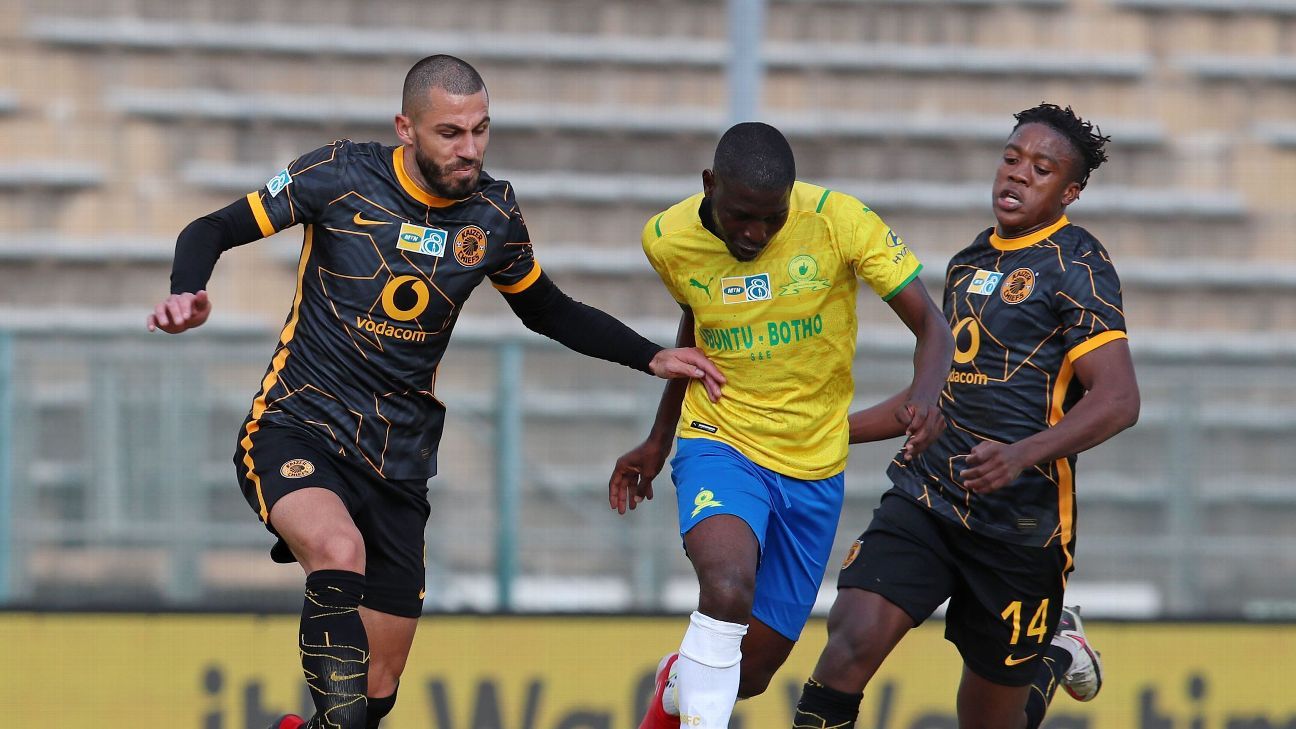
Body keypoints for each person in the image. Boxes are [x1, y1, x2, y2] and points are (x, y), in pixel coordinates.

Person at [146, 55, 725, 729]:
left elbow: (547, 308)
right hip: (297, 425)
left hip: (399, 461)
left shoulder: (493, 214)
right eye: (451, 133)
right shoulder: (337, 176)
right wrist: (186, 289)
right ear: (405, 128)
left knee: (375, 693)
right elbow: (209, 228)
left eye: (481, 130)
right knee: (338, 553)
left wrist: (650, 354)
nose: (470, 149)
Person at [789, 103, 1141, 729]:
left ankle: (1055, 653)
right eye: (1011, 159)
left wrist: (1021, 454)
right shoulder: (967, 265)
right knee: (847, 645)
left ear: (1070, 191)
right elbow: (932, 398)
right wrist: (823, 433)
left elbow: (1119, 401)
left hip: (1020, 526)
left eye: (1041, 168)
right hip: (928, 496)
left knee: (988, 719)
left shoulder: (1079, 267)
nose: (1018, 176)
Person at [608, 122, 955, 729]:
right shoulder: (665, 238)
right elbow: (699, 322)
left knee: (752, 672)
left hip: (812, 467)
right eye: (742, 216)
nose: (756, 233)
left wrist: (924, 398)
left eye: (772, 218)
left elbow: (933, 326)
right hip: (721, 441)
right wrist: (662, 439)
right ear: (709, 185)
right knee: (727, 587)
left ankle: (677, 684)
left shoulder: (839, 222)